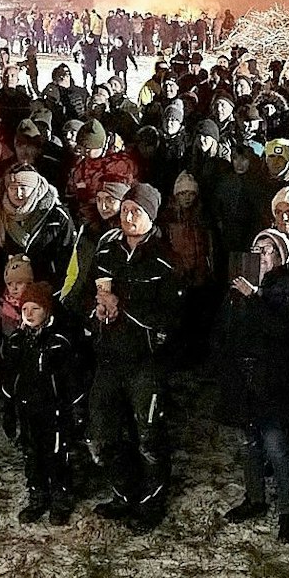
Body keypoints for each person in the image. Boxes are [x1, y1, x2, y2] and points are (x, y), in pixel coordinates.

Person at [88, 183, 182, 533]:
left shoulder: (163, 258)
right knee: (105, 431)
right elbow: (87, 293)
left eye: (136, 211)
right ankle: (123, 493)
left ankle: (152, 502)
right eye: (125, 209)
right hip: (108, 356)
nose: (128, 217)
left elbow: (172, 316)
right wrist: (95, 313)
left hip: (145, 361)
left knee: (149, 435)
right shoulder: (107, 249)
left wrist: (124, 308)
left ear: (151, 216)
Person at [215, 229, 289, 543]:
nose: (260, 255)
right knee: (248, 444)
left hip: (272, 381)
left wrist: (255, 297)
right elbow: (225, 330)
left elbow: (281, 329)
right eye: (256, 248)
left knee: (276, 448)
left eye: (267, 250)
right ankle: (255, 499)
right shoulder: (238, 285)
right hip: (242, 377)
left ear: (279, 256)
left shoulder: (287, 286)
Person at [0, 282, 84, 526]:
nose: (30, 314)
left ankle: (60, 499)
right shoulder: (16, 342)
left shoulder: (58, 342)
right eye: (26, 308)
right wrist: (8, 409)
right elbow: (10, 377)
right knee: (31, 454)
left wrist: (76, 407)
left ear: (47, 311)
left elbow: (71, 378)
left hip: (54, 410)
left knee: (57, 455)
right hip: (27, 408)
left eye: (36, 308)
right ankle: (37, 497)